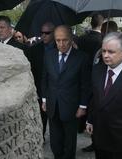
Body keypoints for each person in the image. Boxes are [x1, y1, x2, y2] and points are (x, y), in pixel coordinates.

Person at [41, 25, 91, 159]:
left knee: (69, 143)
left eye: (65, 40)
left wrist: (83, 106)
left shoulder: (82, 58)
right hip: (52, 105)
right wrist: (44, 99)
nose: (61, 44)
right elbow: (45, 78)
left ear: (71, 39)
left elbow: (85, 85)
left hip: (71, 107)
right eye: (58, 40)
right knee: (55, 142)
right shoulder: (48, 55)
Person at [77, 14, 104, 152]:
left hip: (81, 76)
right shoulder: (104, 40)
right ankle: (95, 140)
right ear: (102, 23)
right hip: (97, 78)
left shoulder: (82, 39)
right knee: (94, 106)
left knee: (82, 102)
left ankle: (80, 126)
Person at [28, 22, 56, 141]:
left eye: (47, 33)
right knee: (41, 115)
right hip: (40, 88)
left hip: (56, 88)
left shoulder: (62, 47)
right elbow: (31, 70)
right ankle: (41, 137)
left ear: (54, 33)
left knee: (56, 117)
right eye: (42, 33)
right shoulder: (34, 49)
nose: (43, 35)